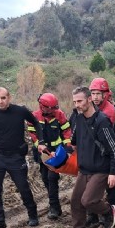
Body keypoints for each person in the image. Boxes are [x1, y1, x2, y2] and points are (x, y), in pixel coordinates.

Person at [0, 87, 44, 228]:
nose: (1, 101)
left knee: (23, 187)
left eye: (3, 98)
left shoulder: (20, 111)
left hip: (16, 157)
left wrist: (40, 141)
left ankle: (33, 214)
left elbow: (36, 123)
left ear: (9, 97)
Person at [64, 86, 115, 228]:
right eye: (75, 101)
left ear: (89, 99)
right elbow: (74, 141)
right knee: (76, 201)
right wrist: (65, 152)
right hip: (84, 168)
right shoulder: (78, 117)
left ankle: (109, 211)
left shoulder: (101, 121)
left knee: (88, 201)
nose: (77, 105)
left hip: (101, 169)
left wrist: (114, 172)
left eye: (80, 101)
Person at [27, 92, 72, 220]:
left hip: (56, 152)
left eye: (54, 107)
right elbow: (33, 134)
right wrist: (40, 146)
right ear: (43, 106)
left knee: (52, 177)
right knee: (45, 178)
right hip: (42, 153)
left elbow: (66, 131)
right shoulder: (34, 117)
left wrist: (67, 146)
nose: (54, 110)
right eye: (51, 108)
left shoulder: (59, 115)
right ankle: (56, 206)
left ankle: (54, 207)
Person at [87, 77, 115, 227]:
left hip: (108, 153)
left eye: (98, 94)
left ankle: (112, 214)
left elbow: (106, 138)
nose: (95, 97)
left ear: (105, 94)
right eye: (93, 93)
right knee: (90, 184)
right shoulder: (90, 108)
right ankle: (92, 215)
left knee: (111, 186)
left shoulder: (109, 112)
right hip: (94, 153)